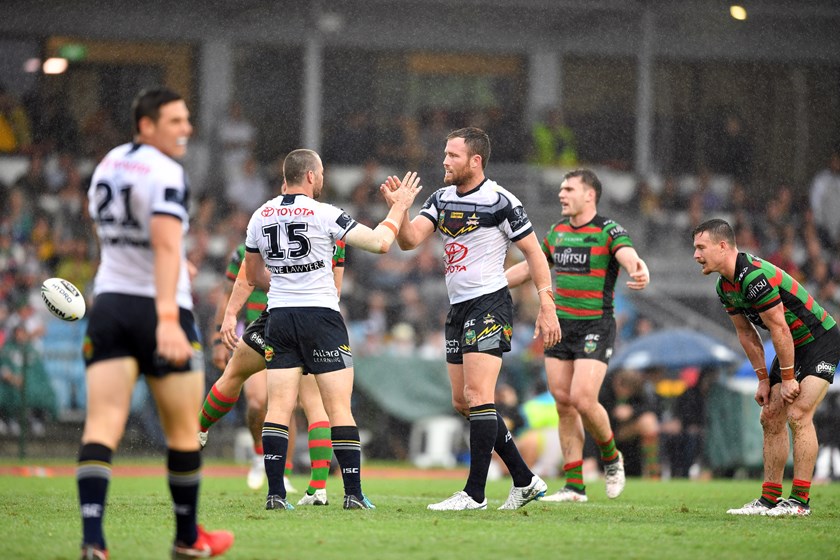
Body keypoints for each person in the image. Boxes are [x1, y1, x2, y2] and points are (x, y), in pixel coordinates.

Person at [79, 88, 233, 559]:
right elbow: (165, 247)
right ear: (146, 125)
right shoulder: (167, 171)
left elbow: (108, 230)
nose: (186, 129)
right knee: (184, 431)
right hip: (158, 310)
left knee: (101, 426)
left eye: (186, 120)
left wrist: (151, 260)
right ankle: (187, 538)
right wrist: (167, 318)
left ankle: (93, 542)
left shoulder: (108, 163)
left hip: (109, 304)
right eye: (175, 121)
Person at [380, 127, 561, 511]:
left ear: (475, 161)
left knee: (480, 397)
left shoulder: (501, 200)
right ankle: (525, 480)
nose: (445, 161)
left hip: (489, 305)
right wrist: (400, 208)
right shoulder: (441, 198)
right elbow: (409, 241)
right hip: (458, 308)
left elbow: (535, 253)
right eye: (445, 154)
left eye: (453, 156)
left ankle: (474, 493)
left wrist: (547, 304)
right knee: (464, 402)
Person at [243, 148, 422, 511]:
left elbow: (251, 276)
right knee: (338, 406)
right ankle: (353, 494)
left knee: (278, 407)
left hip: (278, 316)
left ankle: (276, 494)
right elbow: (381, 243)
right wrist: (399, 206)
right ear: (310, 176)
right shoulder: (325, 213)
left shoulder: (259, 215)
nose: (323, 178)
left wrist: (285, 280)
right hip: (320, 316)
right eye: (321, 172)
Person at [506, 168, 650, 503]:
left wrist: (636, 267)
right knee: (564, 402)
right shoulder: (556, 232)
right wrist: (492, 284)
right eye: (561, 188)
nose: (561, 194)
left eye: (569, 188)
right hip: (560, 326)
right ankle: (574, 486)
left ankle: (612, 459)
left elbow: (627, 254)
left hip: (595, 326)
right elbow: (532, 267)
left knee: (584, 398)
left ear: (590, 195)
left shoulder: (608, 230)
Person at [692, 218, 840, 516]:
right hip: (792, 345)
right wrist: (763, 380)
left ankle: (799, 502)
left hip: (820, 339)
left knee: (798, 413)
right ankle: (769, 499)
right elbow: (747, 334)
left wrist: (787, 379)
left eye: (700, 247)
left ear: (723, 246)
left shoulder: (754, 277)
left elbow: (780, 330)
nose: (695, 255)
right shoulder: (725, 286)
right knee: (771, 416)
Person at [199, 238, 346, 506]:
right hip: (308, 324)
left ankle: (284, 477)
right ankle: (302, 481)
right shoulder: (331, 234)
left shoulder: (266, 230)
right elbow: (336, 288)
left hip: (277, 322)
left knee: (284, 403)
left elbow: (252, 278)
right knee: (262, 402)